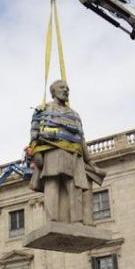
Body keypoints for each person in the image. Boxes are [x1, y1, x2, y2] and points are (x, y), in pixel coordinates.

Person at [27, 80, 104, 224]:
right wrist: (36, 152)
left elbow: (81, 139)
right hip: (52, 151)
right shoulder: (42, 109)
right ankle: (53, 219)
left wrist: (90, 161)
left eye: (68, 88)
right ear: (53, 92)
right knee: (52, 183)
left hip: (73, 154)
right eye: (62, 88)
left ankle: (77, 220)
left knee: (75, 185)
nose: (66, 90)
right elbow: (34, 132)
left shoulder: (74, 114)